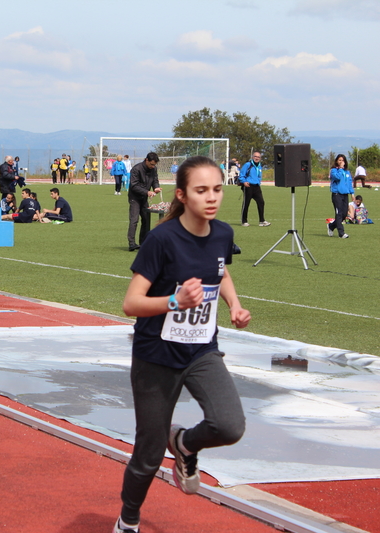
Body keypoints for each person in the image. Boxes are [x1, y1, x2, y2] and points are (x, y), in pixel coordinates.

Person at [115, 156, 250, 533]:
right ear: (182, 195)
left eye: (218, 189)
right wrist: (176, 301)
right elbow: (131, 303)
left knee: (229, 425)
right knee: (148, 452)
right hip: (157, 355)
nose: (212, 198)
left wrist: (235, 305)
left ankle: (186, 444)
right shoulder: (163, 238)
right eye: (201, 190)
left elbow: (221, 272)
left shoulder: (222, 234)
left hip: (201, 349)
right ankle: (128, 520)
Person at [127, 152, 162, 251]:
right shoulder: (136, 169)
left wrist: (156, 188)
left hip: (144, 198)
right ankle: (132, 243)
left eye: (154, 164)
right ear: (146, 160)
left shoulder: (153, 169)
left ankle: (143, 243)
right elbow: (134, 185)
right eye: (151, 164)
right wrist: (147, 192)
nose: (153, 166)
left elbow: (155, 180)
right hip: (134, 197)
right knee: (134, 220)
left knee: (146, 220)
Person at [327, 153, 354, 239]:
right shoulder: (334, 171)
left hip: (345, 194)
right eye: (339, 160)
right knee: (338, 214)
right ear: (337, 161)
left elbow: (349, 183)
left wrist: (352, 193)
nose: (341, 162)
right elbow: (337, 177)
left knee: (344, 214)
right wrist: (340, 169)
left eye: (343, 160)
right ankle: (341, 233)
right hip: (337, 194)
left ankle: (331, 226)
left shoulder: (347, 172)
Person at [239, 151, 270, 227]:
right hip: (248, 186)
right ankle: (244, 221)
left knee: (261, 202)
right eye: (255, 156)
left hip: (256, 186)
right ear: (252, 157)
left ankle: (262, 221)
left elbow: (259, 176)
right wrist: (244, 182)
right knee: (246, 203)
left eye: (258, 157)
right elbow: (241, 175)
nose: (257, 158)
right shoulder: (248, 165)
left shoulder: (259, 166)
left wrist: (258, 181)